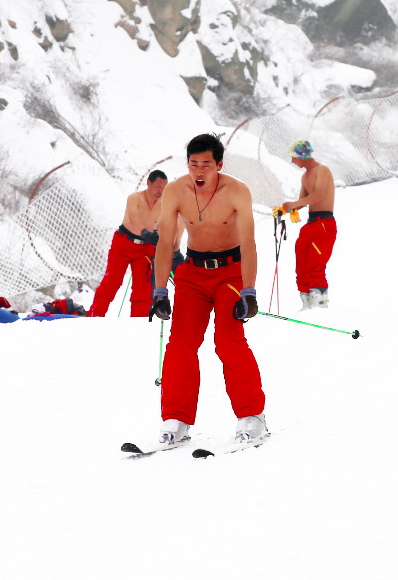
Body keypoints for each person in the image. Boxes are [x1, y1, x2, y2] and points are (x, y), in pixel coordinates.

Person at [150, 133, 267, 447]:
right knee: (181, 343)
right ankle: (176, 419)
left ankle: (252, 416)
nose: (199, 171)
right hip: (193, 273)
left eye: (206, 164)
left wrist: (249, 291)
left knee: (228, 341)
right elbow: (165, 242)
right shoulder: (176, 191)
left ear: (219, 165)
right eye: (193, 164)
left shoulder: (237, 191)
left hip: (231, 272)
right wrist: (159, 291)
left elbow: (249, 243)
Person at [92, 170, 187, 317]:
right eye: (158, 186)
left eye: (164, 187)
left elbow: (170, 225)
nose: (161, 190)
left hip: (145, 248)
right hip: (123, 243)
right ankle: (95, 315)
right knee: (112, 280)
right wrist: (145, 233)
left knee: (143, 288)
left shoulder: (165, 204)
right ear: (149, 183)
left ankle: (139, 321)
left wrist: (162, 238)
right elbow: (134, 219)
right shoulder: (135, 198)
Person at [280, 139, 336, 309]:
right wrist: (285, 209)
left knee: (315, 263)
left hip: (324, 223)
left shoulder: (322, 170)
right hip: (310, 224)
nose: (292, 161)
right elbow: (302, 201)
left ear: (302, 155)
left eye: (294, 157)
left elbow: (318, 195)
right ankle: (306, 303)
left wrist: (295, 204)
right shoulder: (305, 176)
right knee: (302, 262)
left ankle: (320, 303)